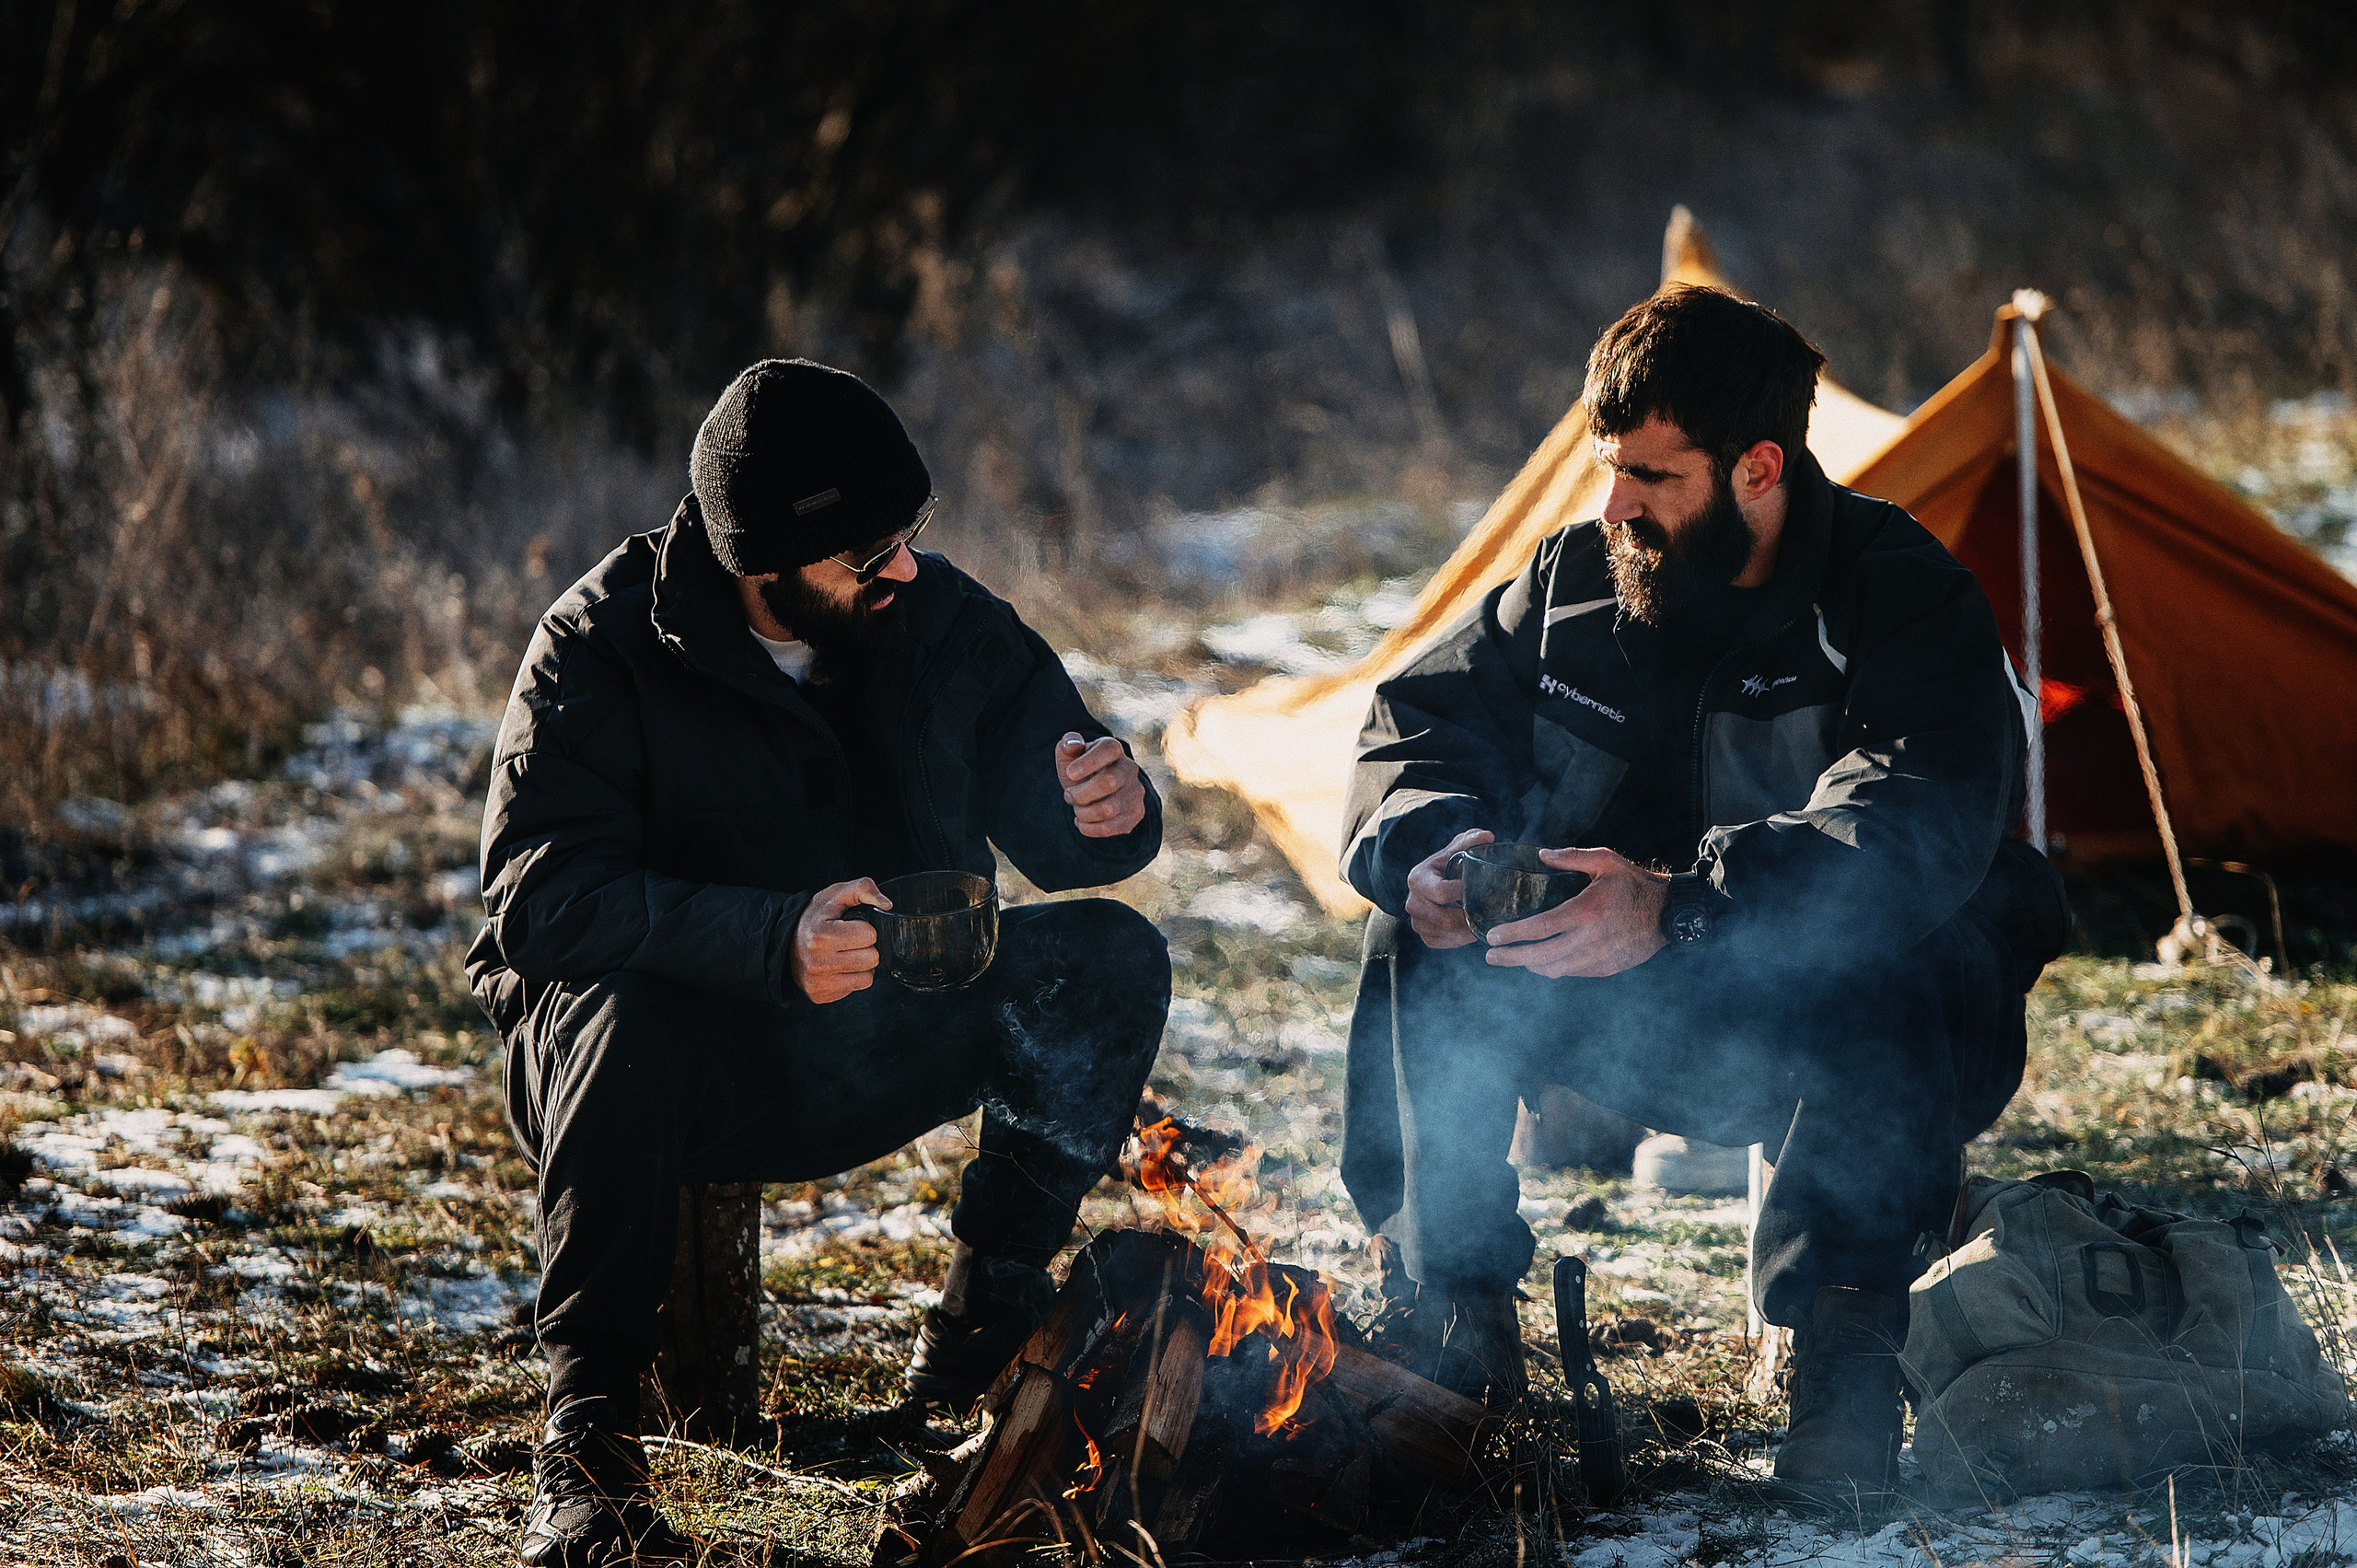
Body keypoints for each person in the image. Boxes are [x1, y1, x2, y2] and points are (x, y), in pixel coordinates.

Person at [1337, 286, 2070, 1504]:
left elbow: (1913, 820)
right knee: (1420, 926)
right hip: (1636, 1008)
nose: (1616, 504)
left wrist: (1679, 904)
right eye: (1608, 470)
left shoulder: (1902, 593)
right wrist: (1426, 840)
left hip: (1878, 1036)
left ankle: (1841, 1358)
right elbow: (1418, 722)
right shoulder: (1574, 581)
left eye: (1652, 478)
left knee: (1871, 935)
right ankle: (1454, 1323)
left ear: (1759, 467)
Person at [467, 359, 1171, 1565]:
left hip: (881, 1035)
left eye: (909, 536)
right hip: (674, 1063)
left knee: (1108, 959)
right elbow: (538, 900)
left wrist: (1109, 811)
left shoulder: (941, 622)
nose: (902, 566)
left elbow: (1059, 832)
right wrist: (766, 939)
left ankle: (980, 1328)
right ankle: (587, 1449)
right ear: (764, 564)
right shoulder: (601, 643)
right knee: (612, 1009)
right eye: (868, 552)